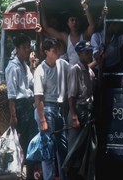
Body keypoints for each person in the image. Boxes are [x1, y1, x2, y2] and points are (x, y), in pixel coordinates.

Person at [33, 38, 70, 180]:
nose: (57, 53)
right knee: (47, 150)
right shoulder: (40, 70)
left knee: (62, 147)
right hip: (46, 108)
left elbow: (74, 68)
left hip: (57, 109)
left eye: (58, 50)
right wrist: (42, 120)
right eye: (54, 51)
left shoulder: (61, 64)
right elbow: (38, 98)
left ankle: (63, 176)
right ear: (46, 52)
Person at [5, 33, 38, 180]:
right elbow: (11, 95)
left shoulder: (24, 66)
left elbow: (31, 83)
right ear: (17, 49)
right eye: (24, 47)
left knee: (31, 142)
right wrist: (13, 116)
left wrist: (32, 65)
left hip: (29, 106)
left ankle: (29, 175)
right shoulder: (13, 67)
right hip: (20, 107)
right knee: (25, 142)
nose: (26, 50)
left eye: (28, 47)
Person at [62, 40, 97, 180]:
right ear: (79, 53)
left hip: (88, 112)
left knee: (87, 150)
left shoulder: (89, 71)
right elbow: (71, 96)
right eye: (87, 52)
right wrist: (75, 117)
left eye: (90, 52)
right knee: (74, 150)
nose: (90, 54)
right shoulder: (74, 69)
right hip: (77, 110)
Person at [40, 0, 96, 65]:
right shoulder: (65, 37)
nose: (75, 22)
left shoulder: (84, 35)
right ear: (68, 23)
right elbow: (46, 27)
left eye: (77, 20)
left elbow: (92, 26)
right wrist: (41, 8)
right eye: (72, 20)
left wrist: (86, 7)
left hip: (84, 71)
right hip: (71, 72)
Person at [90, 21, 123, 87]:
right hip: (98, 71)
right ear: (112, 25)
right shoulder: (96, 36)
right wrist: (102, 54)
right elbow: (96, 56)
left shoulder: (116, 40)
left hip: (113, 71)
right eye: (118, 26)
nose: (119, 28)